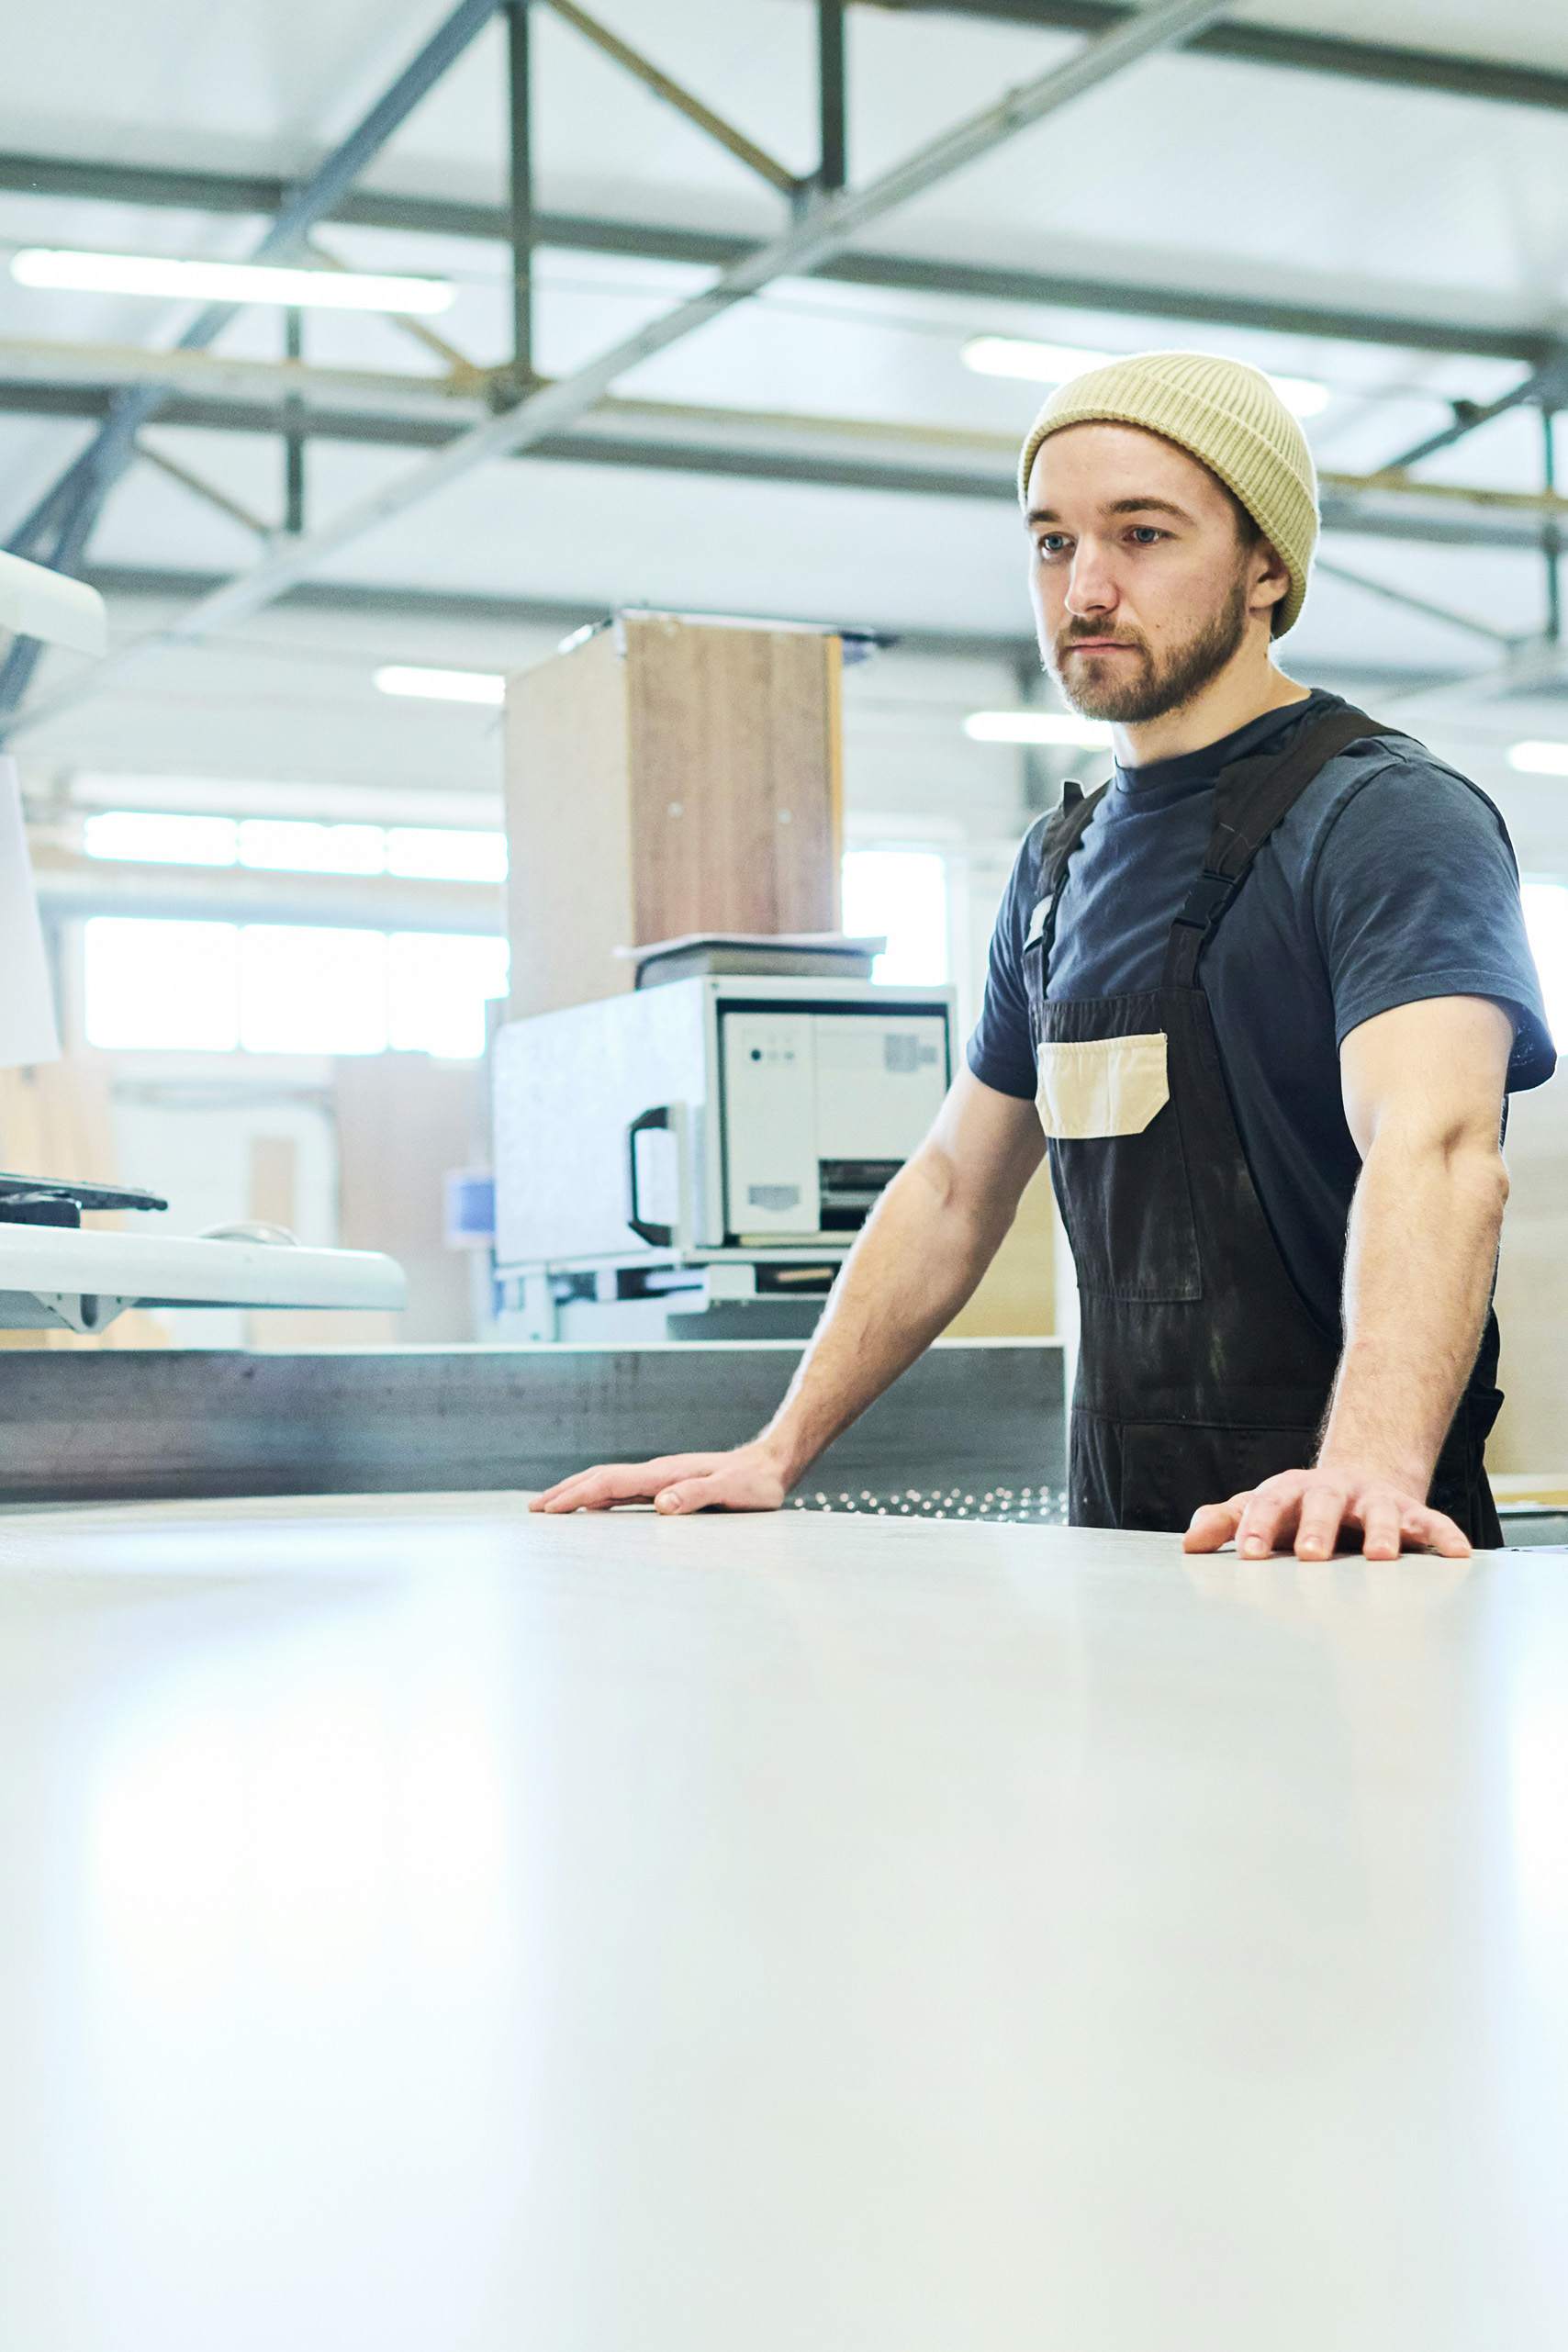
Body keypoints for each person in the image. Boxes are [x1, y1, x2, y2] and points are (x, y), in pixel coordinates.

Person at [533, 351, 1553, 1560]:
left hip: (1352, 1553)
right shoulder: (1055, 868)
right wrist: (777, 1446)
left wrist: (1367, 1470)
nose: (1087, 588)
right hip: (1125, 1555)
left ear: (1268, 566)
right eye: (1055, 542)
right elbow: (956, 1186)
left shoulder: (1386, 817)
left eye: (1144, 534)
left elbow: (1436, 1149)